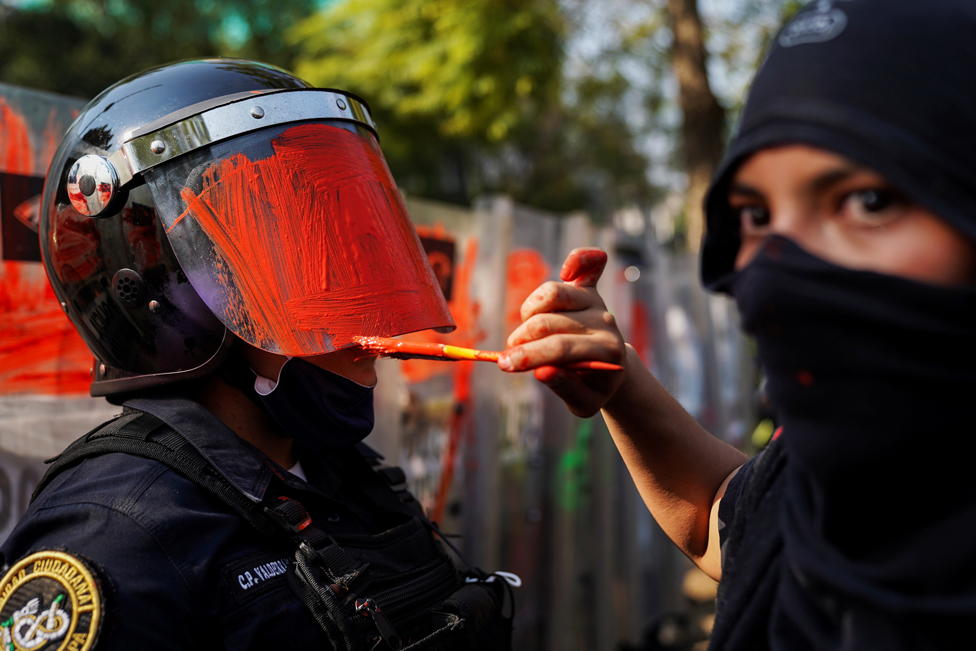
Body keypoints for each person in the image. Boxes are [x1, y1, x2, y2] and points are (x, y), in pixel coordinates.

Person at [497, 0, 976, 648]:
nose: (780, 263)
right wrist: (622, 383)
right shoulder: (827, 467)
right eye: (753, 213)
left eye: (866, 201)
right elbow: (721, 521)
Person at [0, 59, 511, 651]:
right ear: (171, 296)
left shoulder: (347, 474)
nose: (360, 305)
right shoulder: (117, 532)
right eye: (305, 267)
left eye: (356, 256)